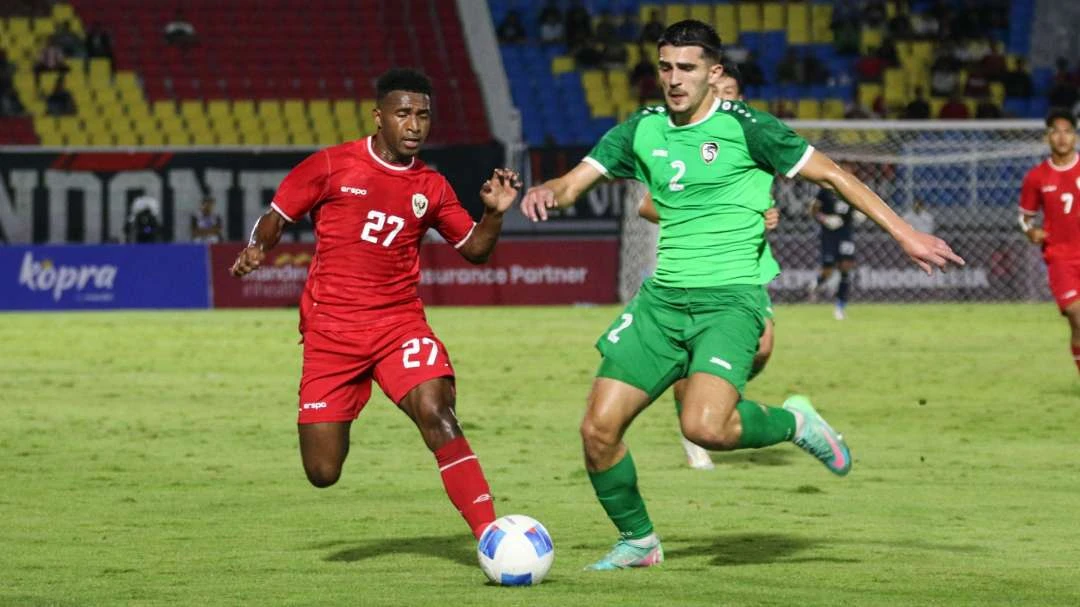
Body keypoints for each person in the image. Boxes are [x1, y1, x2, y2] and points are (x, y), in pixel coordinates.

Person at [520, 20, 963, 570]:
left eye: (687, 68)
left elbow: (834, 175)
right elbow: (573, 182)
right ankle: (639, 542)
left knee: (705, 427)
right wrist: (546, 192)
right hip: (660, 302)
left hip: (730, 300)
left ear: (714, 72)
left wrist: (905, 234)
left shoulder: (749, 128)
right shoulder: (641, 130)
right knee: (597, 430)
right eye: (665, 67)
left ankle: (798, 424)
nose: (674, 79)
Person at [230, 69, 520, 541]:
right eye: (403, 114)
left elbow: (474, 249)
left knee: (438, 412)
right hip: (332, 332)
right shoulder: (332, 165)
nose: (414, 126)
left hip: (398, 326)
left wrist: (492, 214)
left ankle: (492, 536)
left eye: (423, 115)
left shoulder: (432, 186)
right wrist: (257, 247)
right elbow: (277, 214)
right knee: (323, 471)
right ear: (378, 116)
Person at [638, 61, 782, 470]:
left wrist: (767, 214)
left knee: (763, 348)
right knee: (708, 352)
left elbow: (755, 200)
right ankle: (697, 423)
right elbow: (647, 205)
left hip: (747, 263)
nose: (726, 98)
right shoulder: (687, 143)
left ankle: (707, 400)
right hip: (700, 267)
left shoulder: (750, 139)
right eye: (719, 92)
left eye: (732, 92)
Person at [1019, 108, 1080, 375]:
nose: (1062, 137)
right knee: (1078, 315)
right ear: (1047, 138)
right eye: (1056, 131)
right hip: (1060, 258)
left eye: (1068, 131)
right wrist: (1031, 232)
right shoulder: (1037, 176)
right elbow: (1025, 217)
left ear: (1075, 137)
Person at [808, 173, 862, 319]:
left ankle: (840, 306)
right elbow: (813, 209)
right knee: (829, 268)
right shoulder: (826, 190)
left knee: (846, 267)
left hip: (846, 233)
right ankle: (818, 283)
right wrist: (824, 218)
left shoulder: (852, 190)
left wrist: (860, 213)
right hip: (829, 234)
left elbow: (861, 206)